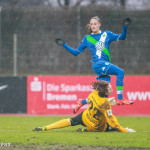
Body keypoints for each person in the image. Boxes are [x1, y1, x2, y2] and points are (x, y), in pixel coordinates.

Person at [55, 16, 134, 106]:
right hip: (98, 64)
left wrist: (125, 26)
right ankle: (120, 99)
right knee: (120, 72)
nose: (93, 26)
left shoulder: (107, 34)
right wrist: (64, 45)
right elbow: (75, 53)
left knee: (102, 93)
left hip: (103, 66)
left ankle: (82, 102)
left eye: (95, 24)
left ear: (99, 24)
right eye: (91, 24)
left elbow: (122, 37)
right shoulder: (87, 38)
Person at [33, 81, 135, 133]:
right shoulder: (105, 104)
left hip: (85, 117)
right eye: (110, 88)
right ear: (104, 92)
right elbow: (112, 120)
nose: (112, 89)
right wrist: (124, 130)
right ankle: (87, 130)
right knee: (111, 127)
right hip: (96, 126)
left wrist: (80, 105)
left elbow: (88, 100)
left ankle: (45, 128)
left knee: (70, 121)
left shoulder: (94, 93)